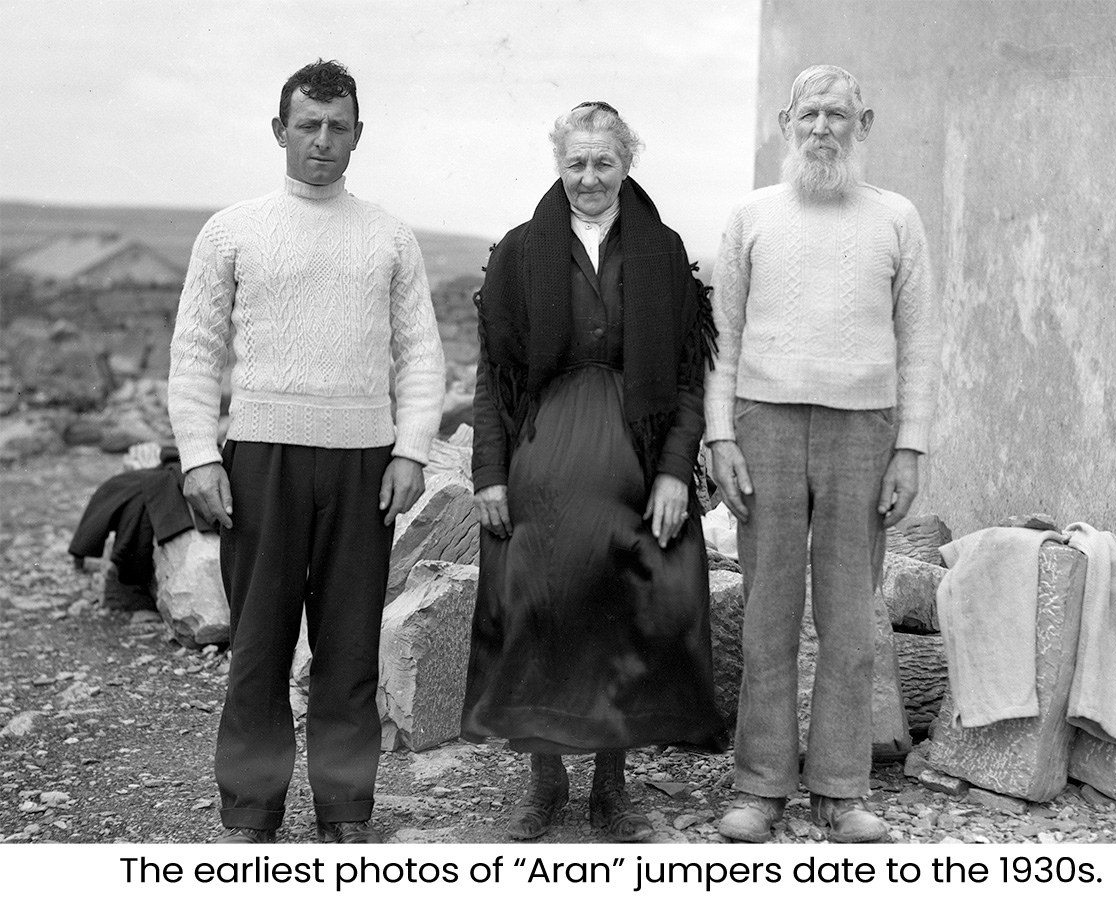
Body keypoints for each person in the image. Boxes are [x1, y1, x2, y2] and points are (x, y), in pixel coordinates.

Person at [168, 59, 445, 844]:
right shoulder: (232, 230)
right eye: (307, 125)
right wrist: (198, 453)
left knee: (350, 649)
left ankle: (347, 811)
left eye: (338, 127)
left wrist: (412, 450)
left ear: (359, 135)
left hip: (364, 462)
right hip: (261, 462)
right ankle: (252, 813)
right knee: (257, 650)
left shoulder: (388, 234)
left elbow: (420, 353)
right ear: (280, 130)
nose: (322, 142)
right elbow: (195, 350)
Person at [461, 101, 724, 843]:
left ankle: (612, 786)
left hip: (640, 465)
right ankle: (543, 780)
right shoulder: (519, 252)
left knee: (632, 607)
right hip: (541, 457)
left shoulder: (663, 252)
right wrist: (489, 474)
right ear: (558, 163)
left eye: (603, 162)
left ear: (626, 162)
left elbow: (684, 376)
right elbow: (494, 376)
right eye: (575, 162)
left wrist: (676, 471)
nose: (588, 177)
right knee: (539, 603)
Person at [708, 65, 940, 843]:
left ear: (863, 124)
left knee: (849, 620)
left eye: (839, 115)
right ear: (786, 121)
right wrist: (720, 435)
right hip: (764, 423)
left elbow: (921, 343)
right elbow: (723, 338)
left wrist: (910, 448)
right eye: (809, 113)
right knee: (768, 615)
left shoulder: (897, 217)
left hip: (862, 432)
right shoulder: (750, 215)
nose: (822, 128)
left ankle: (841, 790)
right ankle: (761, 786)